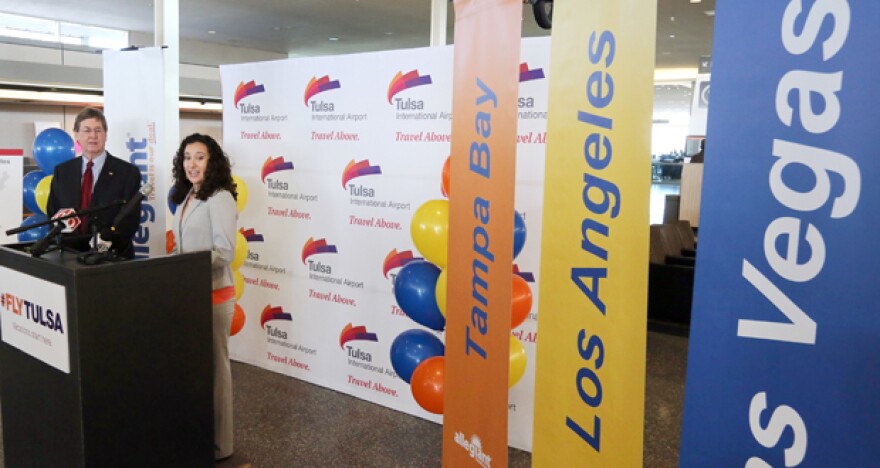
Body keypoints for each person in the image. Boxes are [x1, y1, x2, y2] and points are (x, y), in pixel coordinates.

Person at [167, 133, 238, 461]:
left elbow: (223, 252)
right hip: (191, 296)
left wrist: (185, 267)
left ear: (212, 163)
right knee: (197, 371)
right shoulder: (187, 196)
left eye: (199, 157)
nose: (191, 164)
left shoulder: (220, 197)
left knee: (216, 372)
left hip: (214, 296)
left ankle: (221, 445)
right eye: (187, 158)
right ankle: (199, 436)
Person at [47, 107, 142, 258]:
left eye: (98, 130)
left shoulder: (127, 172)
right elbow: (52, 211)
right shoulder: (62, 172)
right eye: (87, 130)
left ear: (106, 135)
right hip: (70, 255)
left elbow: (130, 220)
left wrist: (106, 244)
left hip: (112, 258)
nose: (93, 136)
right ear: (76, 135)